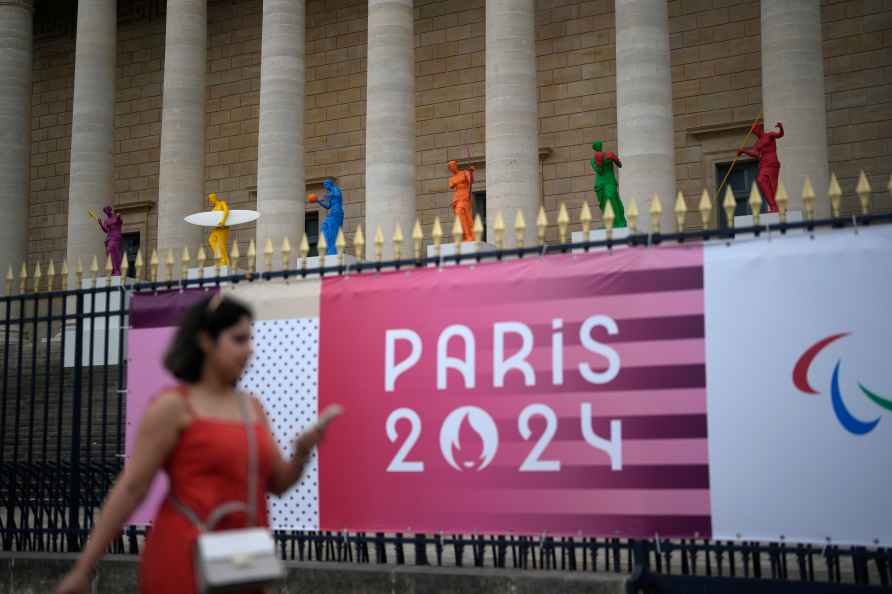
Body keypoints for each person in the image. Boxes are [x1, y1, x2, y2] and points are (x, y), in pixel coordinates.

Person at [56, 294, 343, 594]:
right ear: (206, 340)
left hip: (241, 565)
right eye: (239, 339)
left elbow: (277, 484)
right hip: (183, 562)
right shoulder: (172, 407)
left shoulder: (252, 407)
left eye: (250, 339)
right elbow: (131, 489)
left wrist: (302, 451)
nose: (249, 349)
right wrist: (84, 568)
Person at [737, 122, 784, 212]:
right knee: (760, 180)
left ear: (760, 129)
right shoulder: (758, 143)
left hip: (772, 163)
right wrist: (743, 151)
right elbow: (755, 154)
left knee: (773, 185)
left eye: (756, 131)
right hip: (764, 164)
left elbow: (780, 135)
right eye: (754, 132)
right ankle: (772, 205)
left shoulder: (769, 135)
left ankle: (775, 207)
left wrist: (781, 128)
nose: (755, 133)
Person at [590, 141, 627, 228]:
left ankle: (619, 222)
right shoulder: (593, 160)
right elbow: (599, 171)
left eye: (600, 145)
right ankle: (609, 223)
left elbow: (620, 165)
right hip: (600, 184)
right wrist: (600, 161)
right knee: (604, 204)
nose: (599, 147)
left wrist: (614, 158)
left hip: (610, 182)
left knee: (611, 198)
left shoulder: (608, 155)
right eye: (597, 146)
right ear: (595, 148)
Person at [447, 160, 475, 242]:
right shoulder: (451, 179)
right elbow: (451, 185)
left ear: (456, 166)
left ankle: (468, 235)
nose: (453, 167)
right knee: (459, 216)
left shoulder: (465, 172)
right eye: (451, 167)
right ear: (450, 169)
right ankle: (466, 236)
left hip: (465, 195)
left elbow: (471, 181)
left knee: (464, 214)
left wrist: (471, 172)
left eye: (454, 165)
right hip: (457, 197)